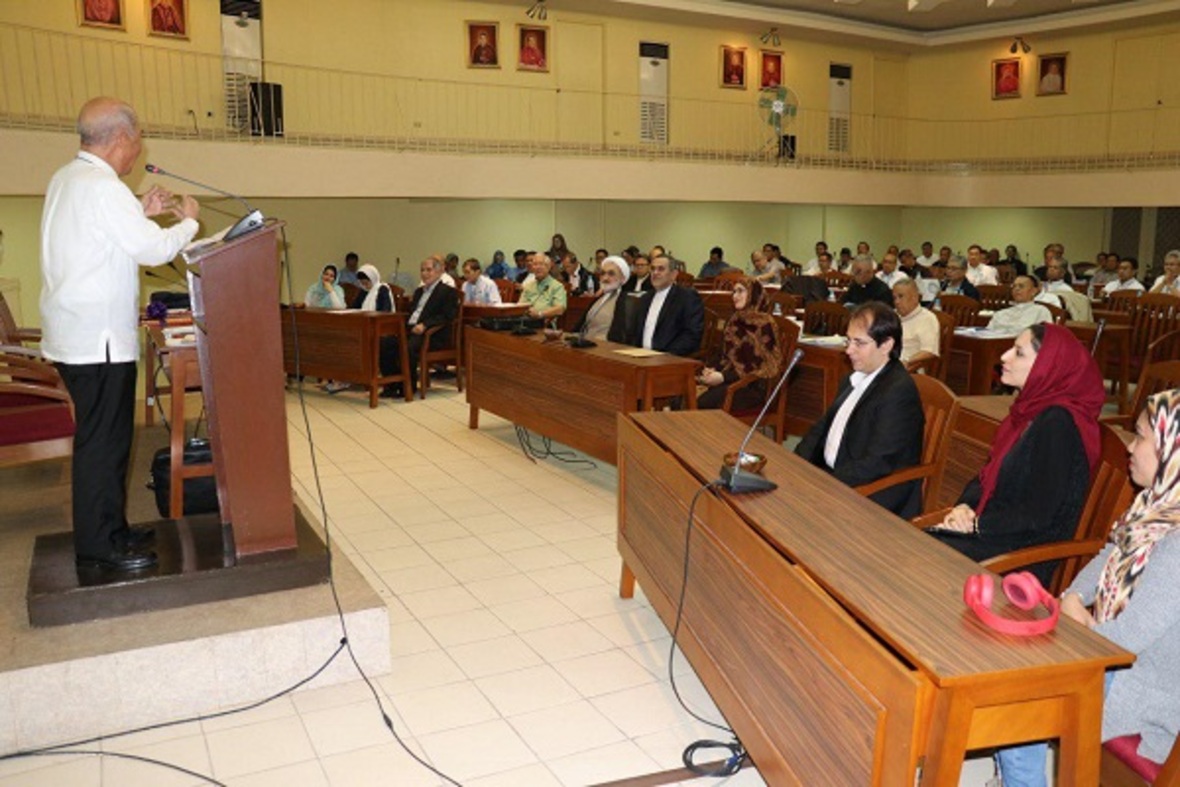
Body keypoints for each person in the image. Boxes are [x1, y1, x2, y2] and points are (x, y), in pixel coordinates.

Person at [40, 97, 200, 572]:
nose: (138, 149)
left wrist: (138, 210)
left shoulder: (68, 178)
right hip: (99, 340)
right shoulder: (103, 188)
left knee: (106, 439)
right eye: (138, 139)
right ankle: (99, 546)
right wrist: (189, 222)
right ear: (122, 138)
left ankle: (111, 529)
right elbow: (152, 250)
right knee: (103, 443)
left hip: (76, 334)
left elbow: (103, 240)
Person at [994, 388, 1180, 785]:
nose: (1130, 445)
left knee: (1015, 705)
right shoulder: (1156, 507)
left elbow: (1128, 641)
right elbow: (1109, 555)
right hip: (1116, 657)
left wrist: (1079, 630)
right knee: (1011, 662)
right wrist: (1074, 597)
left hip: (1147, 690)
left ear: (1172, 451)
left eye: (1141, 436)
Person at [927, 324, 1104, 585]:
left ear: (1048, 366)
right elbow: (989, 475)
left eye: (1019, 353)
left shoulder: (1058, 424)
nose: (1004, 356)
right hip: (998, 533)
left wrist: (978, 525)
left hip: (1021, 555)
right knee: (913, 547)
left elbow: (1039, 514)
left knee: (922, 557)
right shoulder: (1029, 411)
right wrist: (965, 506)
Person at [795, 302, 925, 517]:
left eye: (859, 343)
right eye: (848, 340)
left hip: (873, 493)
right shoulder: (854, 378)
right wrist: (795, 463)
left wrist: (823, 484)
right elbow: (821, 429)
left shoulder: (898, 392)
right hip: (838, 476)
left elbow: (878, 463)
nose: (848, 350)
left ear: (886, 345)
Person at [697, 278, 782, 411]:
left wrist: (723, 377)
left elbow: (758, 366)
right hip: (731, 378)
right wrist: (712, 368)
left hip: (753, 385)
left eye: (740, 291)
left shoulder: (765, 324)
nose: (735, 296)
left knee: (702, 402)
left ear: (753, 294)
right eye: (734, 292)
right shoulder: (735, 319)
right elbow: (723, 353)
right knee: (683, 395)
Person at [380, 257, 459, 398]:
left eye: (429, 270)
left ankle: (408, 386)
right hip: (412, 330)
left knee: (409, 346)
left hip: (432, 334)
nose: (425, 273)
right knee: (384, 343)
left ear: (439, 271)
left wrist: (425, 325)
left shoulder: (447, 292)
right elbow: (411, 314)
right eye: (422, 270)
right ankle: (392, 384)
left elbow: (447, 316)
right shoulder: (418, 292)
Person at [631, 255, 703, 356]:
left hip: (670, 358)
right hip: (640, 356)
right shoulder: (645, 298)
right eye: (653, 269)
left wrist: (667, 356)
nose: (655, 273)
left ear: (673, 274)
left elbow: (691, 335)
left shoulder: (686, 297)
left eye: (661, 269)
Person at [576, 256, 630, 342]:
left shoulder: (626, 301)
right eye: (603, 273)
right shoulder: (598, 299)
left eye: (611, 274)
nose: (605, 278)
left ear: (623, 278)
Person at [893, 279, 939, 366]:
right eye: (894, 298)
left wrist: (907, 361)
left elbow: (929, 351)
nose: (896, 302)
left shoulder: (927, 318)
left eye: (901, 296)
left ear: (915, 298)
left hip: (910, 367)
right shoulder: (892, 315)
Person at [986, 275, 1054, 333]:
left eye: (1021, 286)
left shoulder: (1041, 311)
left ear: (1033, 291)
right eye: (1014, 286)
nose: (1016, 289)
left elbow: (1047, 336)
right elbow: (986, 334)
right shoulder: (1000, 314)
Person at [520, 253, 566, 321]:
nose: (538, 267)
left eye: (541, 264)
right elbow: (520, 305)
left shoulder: (557, 286)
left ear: (548, 267)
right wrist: (528, 311)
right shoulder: (528, 286)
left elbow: (560, 309)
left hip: (544, 322)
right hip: (526, 320)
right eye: (535, 264)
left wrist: (540, 314)